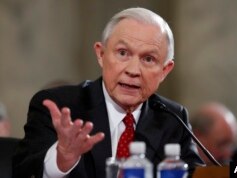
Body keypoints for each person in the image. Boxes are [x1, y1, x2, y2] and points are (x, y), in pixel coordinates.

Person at [13, 7, 204, 178]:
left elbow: (199, 174)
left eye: (148, 59)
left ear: (164, 70)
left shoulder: (172, 118)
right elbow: (23, 171)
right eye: (123, 53)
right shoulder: (61, 107)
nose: (133, 70)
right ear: (101, 55)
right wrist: (62, 159)